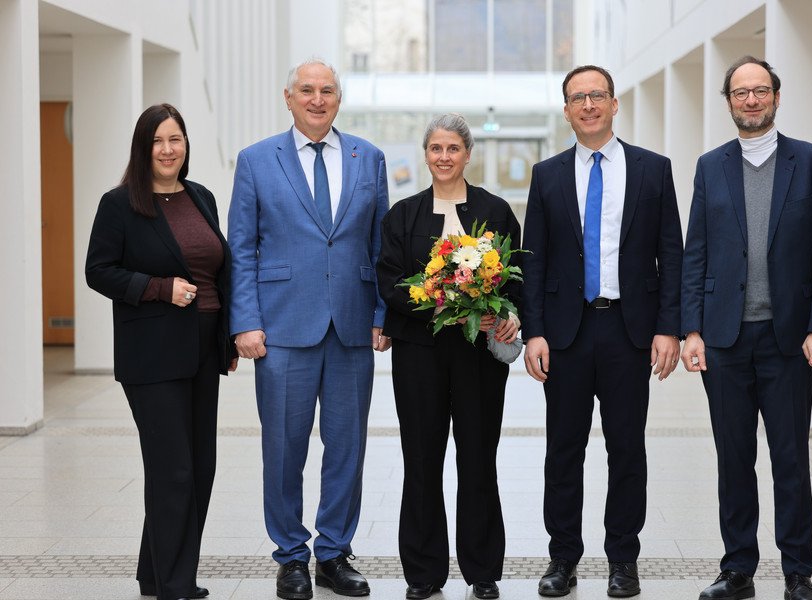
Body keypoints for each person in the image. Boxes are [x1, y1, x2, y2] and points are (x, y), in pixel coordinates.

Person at [681, 56, 812, 600]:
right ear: (727, 101)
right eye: (740, 92)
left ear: (776, 96)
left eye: (760, 90)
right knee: (734, 458)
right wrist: (692, 331)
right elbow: (695, 253)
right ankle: (738, 570)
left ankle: (798, 571)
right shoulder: (710, 166)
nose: (751, 100)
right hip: (724, 338)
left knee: (790, 458)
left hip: (789, 338)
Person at [227, 59, 390, 600]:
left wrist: (381, 314)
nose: (317, 100)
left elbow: (380, 248)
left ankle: (334, 553)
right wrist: (245, 321)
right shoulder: (256, 161)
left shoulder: (370, 158)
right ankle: (291, 556)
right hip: (280, 330)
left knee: (347, 447)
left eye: (327, 91)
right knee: (284, 449)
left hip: (350, 329)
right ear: (288, 97)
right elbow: (241, 250)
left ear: (339, 99)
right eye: (306, 91)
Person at [520, 65, 683, 598]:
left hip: (629, 331)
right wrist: (534, 333)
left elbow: (672, 256)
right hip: (565, 334)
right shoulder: (546, 175)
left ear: (614, 104)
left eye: (596, 95)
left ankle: (623, 561)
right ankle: (562, 558)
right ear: (565, 110)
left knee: (626, 450)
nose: (587, 105)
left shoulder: (653, 171)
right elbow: (534, 260)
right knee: (563, 451)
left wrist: (669, 329)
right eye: (576, 98)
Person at [85, 103, 237, 600]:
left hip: (203, 348)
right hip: (151, 354)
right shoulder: (120, 205)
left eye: (175, 139)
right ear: (143, 148)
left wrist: (227, 336)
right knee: (174, 468)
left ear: (186, 145)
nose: (168, 150)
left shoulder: (202, 197)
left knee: (200, 464)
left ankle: (155, 572)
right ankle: (176, 584)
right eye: (157, 142)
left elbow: (219, 271)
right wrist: (157, 287)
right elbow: (98, 270)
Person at [376, 114, 521, 600]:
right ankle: (422, 573)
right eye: (435, 148)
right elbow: (391, 282)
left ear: (467, 154)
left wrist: (502, 314)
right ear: (425, 154)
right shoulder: (403, 215)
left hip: (478, 356)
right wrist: (446, 305)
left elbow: (518, 278)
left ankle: (483, 573)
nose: (444, 157)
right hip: (419, 354)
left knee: (479, 458)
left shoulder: (496, 212)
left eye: (453, 148)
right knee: (421, 459)